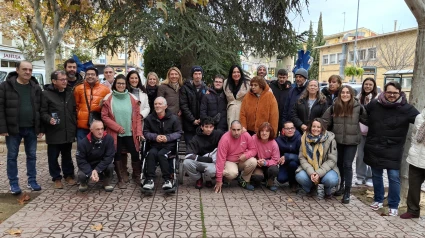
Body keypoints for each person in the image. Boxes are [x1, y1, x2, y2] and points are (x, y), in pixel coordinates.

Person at [364, 81, 419, 216]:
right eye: (389, 92)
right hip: (375, 145)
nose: (392, 95)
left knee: (393, 176)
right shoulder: (375, 104)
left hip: (393, 148)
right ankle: (378, 199)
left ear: (400, 93)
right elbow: (363, 114)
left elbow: (420, 120)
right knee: (376, 174)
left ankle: (394, 204)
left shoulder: (406, 109)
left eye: (395, 93)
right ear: (384, 92)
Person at [0, 61, 44, 194]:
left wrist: (40, 128)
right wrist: (2, 128)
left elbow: (41, 108)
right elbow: (0, 108)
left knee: (32, 156)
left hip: (31, 128)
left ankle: (32, 181)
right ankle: (13, 184)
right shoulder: (5, 86)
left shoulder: (35, 87)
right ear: (17, 70)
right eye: (24, 69)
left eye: (30, 69)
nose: (28, 72)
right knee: (12, 157)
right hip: (13, 129)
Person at [322, 85, 367, 204]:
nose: (345, 95)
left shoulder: (358, 107)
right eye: (343, 92)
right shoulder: (334, 106)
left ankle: (347, 191)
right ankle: (341, 186)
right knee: (340, 164)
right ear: (339, 94)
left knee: (347, 165)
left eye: (348, 92)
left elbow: (367, 120)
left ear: (351, 94)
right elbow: (325, 121)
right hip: (337, 141)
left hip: (351, 142)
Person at [101, 76, 143, 188]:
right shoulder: (109, 98)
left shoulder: (132, 98)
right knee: (117, 154)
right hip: (116, 133)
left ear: (126, 85)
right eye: (119, 83)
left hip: (131, 133)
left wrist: (138, 132)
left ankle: (136, 175)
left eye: (123, 83)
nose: (121, 85)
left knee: (135, 153)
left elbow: (138, 117)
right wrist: (117, 127)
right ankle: (120, 178)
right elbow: (104, 117)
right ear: (115, 84)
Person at [41, 70, 77, 189]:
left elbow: (73, 110)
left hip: (68, 129)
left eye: (65, 79)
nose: (65, 81)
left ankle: (69, 175)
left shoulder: (70, 92)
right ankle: (56, 177)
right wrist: (48, 119)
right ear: (54, 81)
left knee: (67, 155)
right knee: (53, 156)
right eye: (62, 80)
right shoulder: (46, 94)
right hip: (54, 130)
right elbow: (42, 112)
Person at [142, 97, 183, 191]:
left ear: (165, 106)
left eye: (160, 104)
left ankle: (167, 180)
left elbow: (179, 132)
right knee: (151, 154)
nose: (157, 106)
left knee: (162, 154)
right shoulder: (149, 118)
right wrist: (155, 137)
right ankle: (149, 179)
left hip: (169, 146)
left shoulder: (173, 118)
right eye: (156, 104)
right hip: (155, 144)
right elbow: (146, 132)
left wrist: (167, 138)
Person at [295, 119, 339, 198]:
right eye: (314, 126)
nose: (316, 129)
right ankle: (311, 187)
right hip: (310, 169)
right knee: (300, 176)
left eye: (318, 127)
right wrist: (312, 172)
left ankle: (327, 189)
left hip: (326, 170)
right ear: (310, 127)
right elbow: (302, 158)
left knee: (331, 180)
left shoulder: (330, 139)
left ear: (322, 128)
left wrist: (318, 173)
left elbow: (332, 160)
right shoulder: (304, 138)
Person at [214, 120, 257, 193]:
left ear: (242, 129)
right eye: (234, 130)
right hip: (229, 161)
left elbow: (254, 150)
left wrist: (246, 155)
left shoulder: (246, 135)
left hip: (242, 160)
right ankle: (224, 178)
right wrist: (218, 180)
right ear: (230, 129)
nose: (236, 132)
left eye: (238, 130)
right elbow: (221, 159)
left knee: (253, 161)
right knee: (232, 173)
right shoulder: (225, 139)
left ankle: (244, 180)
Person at [183, 117, 224, 189]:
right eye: (206, 127)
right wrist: (207, 159)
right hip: (201, 162)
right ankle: (199, 179)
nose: (209, 129)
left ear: (213, 127)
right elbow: (188, 155)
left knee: (211, 171)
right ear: (202, 127)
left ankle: (208, 180)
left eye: (211, 127)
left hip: (213, 162)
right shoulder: (196, 138)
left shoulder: (219, 134)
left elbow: (228, 139)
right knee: (186, 163)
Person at [76, 120, 115, 192]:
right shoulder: (83, 143)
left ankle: (106, 183)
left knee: (110, 166)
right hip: (88, 164)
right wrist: (91, 173)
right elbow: (80, 160)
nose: (100, 132)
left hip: (101, 164)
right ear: (91, 130)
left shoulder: (109, 139)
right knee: (81, 175)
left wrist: (97, 169)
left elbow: (109, 157)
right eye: (97, 129)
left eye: (102, 128)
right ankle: (83, 183)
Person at [74, 67, 110, 143]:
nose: (90, 76)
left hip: (98, 126)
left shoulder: (105, 90)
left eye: (92, 74)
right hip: (82, 126)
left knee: (98, 151)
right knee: (82, 150)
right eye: (88, 74)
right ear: (85, 76)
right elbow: (75, 106)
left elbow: (107, 108)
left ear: (97, 77)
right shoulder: (78, 89)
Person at [400, 107, 425, 219]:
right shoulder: (419, 117)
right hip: (416, 158)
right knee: (414, 186)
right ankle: (413, 210)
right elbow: (414, 136)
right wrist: (412, 150)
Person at [355, 78, 379, 187]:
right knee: (360, 155)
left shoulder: (378, 99)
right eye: (366, 84)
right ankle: (360, 176)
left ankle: (370, 177)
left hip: (374, 132)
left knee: (372, 155)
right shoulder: (358, 98)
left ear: (374, 86)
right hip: (360, 131)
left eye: (370, 84)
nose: (368, 86)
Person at [179, 66, 208, 143]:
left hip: (202, 124)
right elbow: (184, 105)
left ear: (202, 75)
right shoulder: (185, 88)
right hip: (189, 124)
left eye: (199, 74)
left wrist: (201, 119)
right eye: (195, 74)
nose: (198, 76)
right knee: (190, 148)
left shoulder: (206, 89)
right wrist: (193, 120)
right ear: (192, 75)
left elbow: (206, 106)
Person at [251, 122, 280, 191]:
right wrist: (256, 160)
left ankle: (270, 183)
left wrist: (265, 163)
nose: (264, 133)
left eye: (267, 131)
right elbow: (248, 151)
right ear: (259, 131)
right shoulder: (253, 138)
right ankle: (256, 180)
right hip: (257, 163)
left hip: (268, 164)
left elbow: (276, 160)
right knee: (257, 178)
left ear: (270, 133)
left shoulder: (274, 143)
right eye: (262, 131)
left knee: (274, 170)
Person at [276, 121, 302, 190]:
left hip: (297, 163)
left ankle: (294, 183)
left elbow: (301, 157)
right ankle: (291, 177)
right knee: (281, 179)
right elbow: (277, 154)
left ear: (295, 129)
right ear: (283, 130)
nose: (290, 130)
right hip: (284, 164)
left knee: (292, 164)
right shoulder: (279, 140)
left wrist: (287, 156)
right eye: (287, 128)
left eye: (292, 128)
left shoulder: (299, 139)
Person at [269, 69, 292, 133]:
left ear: (287, 77)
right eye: (280, 77)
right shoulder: (271, 86)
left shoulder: (290, 89)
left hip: (285, 116)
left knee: (284, 136)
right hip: (273, 115)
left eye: (284, 77)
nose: (282, 79)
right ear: (277, 77)